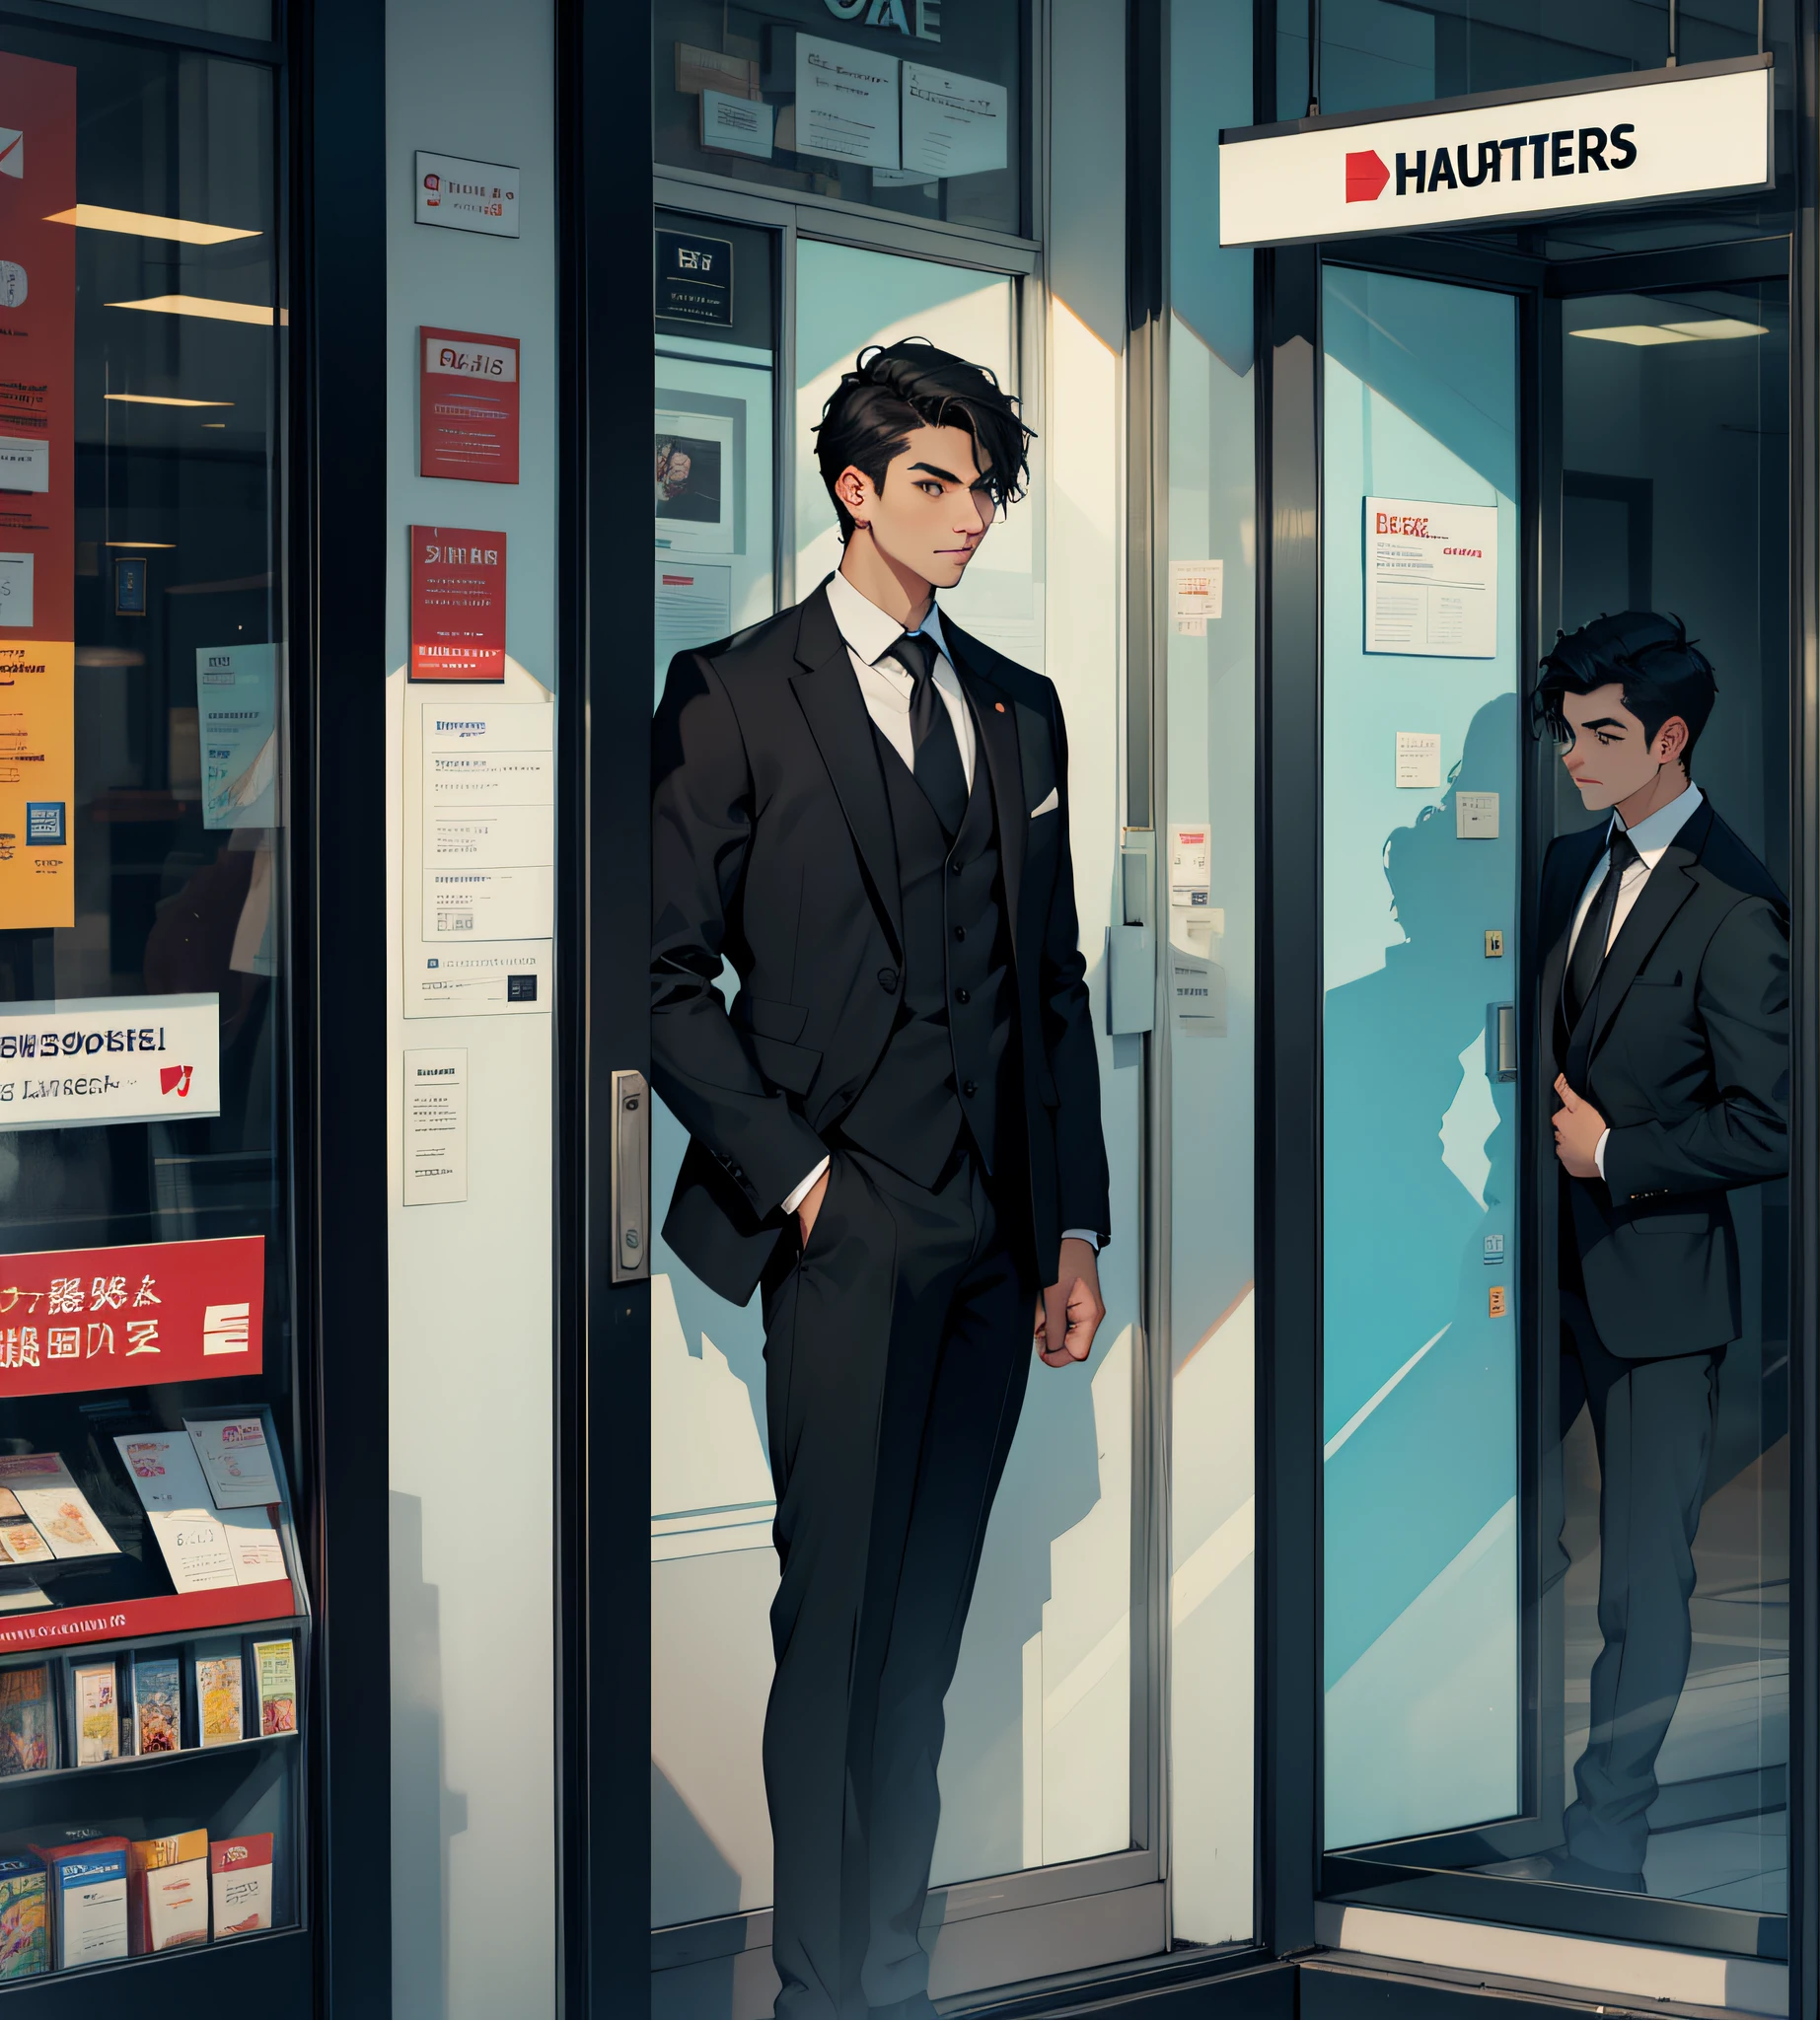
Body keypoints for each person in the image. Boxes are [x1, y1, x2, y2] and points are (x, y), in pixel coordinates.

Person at [649, 338, 1111, 2020]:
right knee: (831, 1635)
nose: (969, 512)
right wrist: (802, 1183)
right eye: (936, 480)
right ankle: (822, 1990)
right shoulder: (730, 691)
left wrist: (1072, 1221)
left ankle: (891, 1985)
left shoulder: (1016, 703)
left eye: (985, 483)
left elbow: (1046, 982)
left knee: (920, 1651)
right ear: (855, 488)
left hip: (995, 1239)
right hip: (846, 1235)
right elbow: (656, 976)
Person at [1533, 611, 1788, 1891]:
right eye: (1568, 733)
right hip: (1533, 1284)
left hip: (1659, 1291)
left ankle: (1604, 1843)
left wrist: (1619, 1155)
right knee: (1505, 1537)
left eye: (1602, 735)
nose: (1574, 756)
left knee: (1643, 1588)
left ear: (1670, 740)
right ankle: (1490, 1786)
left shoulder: (1737, 902)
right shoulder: (1563, 868)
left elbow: (1772, 1123)